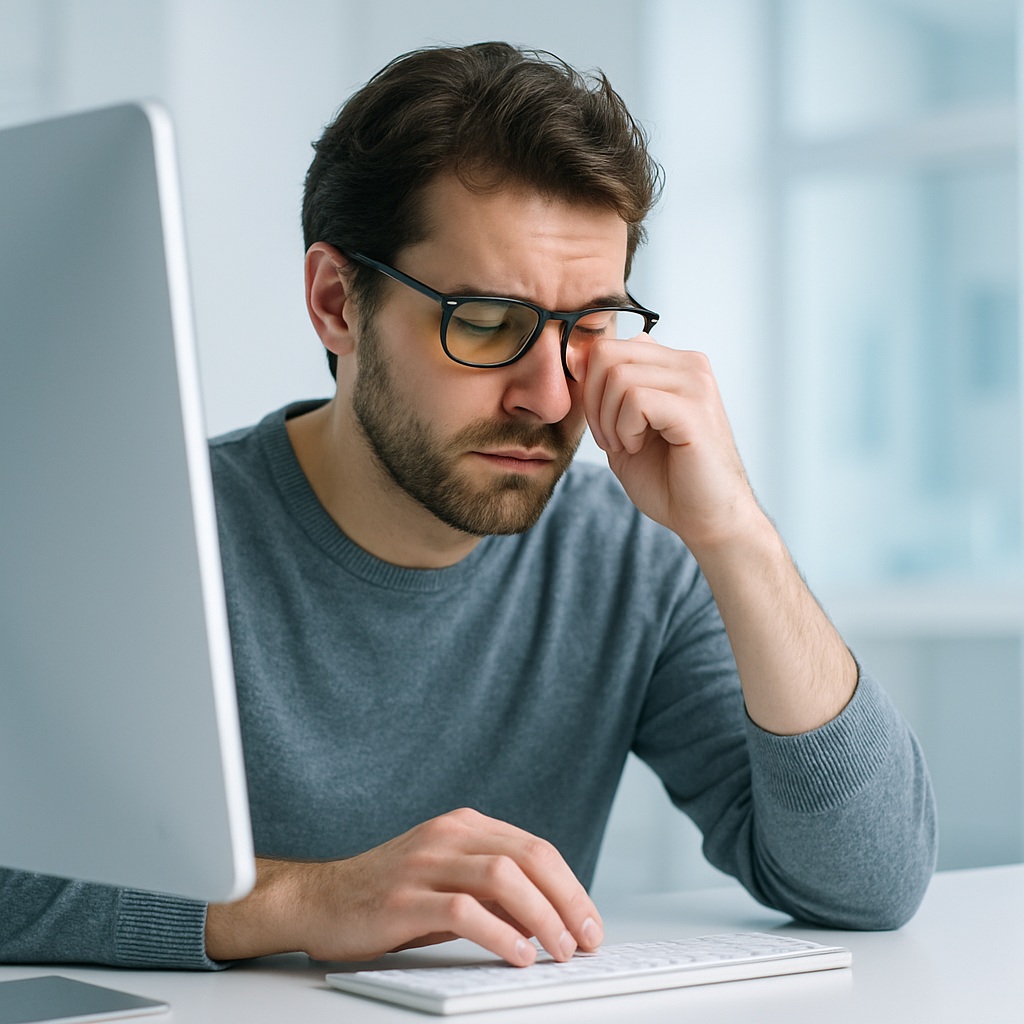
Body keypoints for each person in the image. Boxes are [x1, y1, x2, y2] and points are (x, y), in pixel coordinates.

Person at [0, 41, 936, 971]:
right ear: (336, 302)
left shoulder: (631, 564)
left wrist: (737, 534)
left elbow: (866, 883)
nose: (551, 396)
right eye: (485, 323)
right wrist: (305, 900)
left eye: (588, 331)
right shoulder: (136, 539)